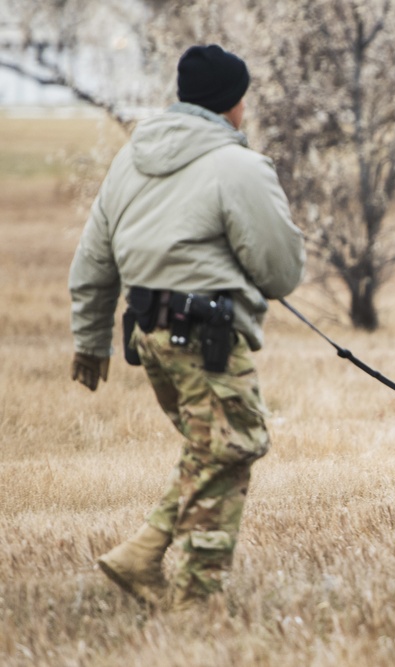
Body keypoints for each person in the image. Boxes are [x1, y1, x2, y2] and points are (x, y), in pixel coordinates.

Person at [69, 44, 305, 611]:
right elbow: (281, 271)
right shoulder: (236, 165)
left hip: (149, 336)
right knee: (234, 443)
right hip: (208, 339)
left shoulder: (131, 158)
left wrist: (91, 339)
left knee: (215, 449)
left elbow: (93, 260)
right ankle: (189, 592)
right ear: (233, 104)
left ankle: (156, 562)